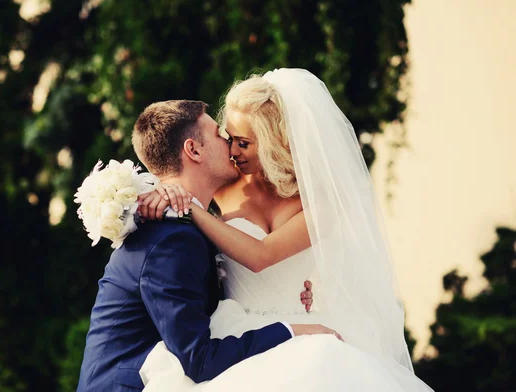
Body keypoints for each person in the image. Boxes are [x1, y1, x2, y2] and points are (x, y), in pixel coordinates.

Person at [137, 69, 434, 391]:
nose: (232, 150)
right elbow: (176, 178)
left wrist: (190, 207)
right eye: (229, 138)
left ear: (274, 142)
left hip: (306, 327)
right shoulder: (225, 184)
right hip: (238, 333)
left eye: (243, 142)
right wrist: (168, 194)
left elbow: (263, 255)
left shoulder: (321, 202)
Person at [76, 100, 339, 392]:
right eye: (220, 135)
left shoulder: (185, 224)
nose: (230, 146)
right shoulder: (171, 237)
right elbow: (199, 360)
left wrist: (286, 288)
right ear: (194, 149)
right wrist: (290, 330)